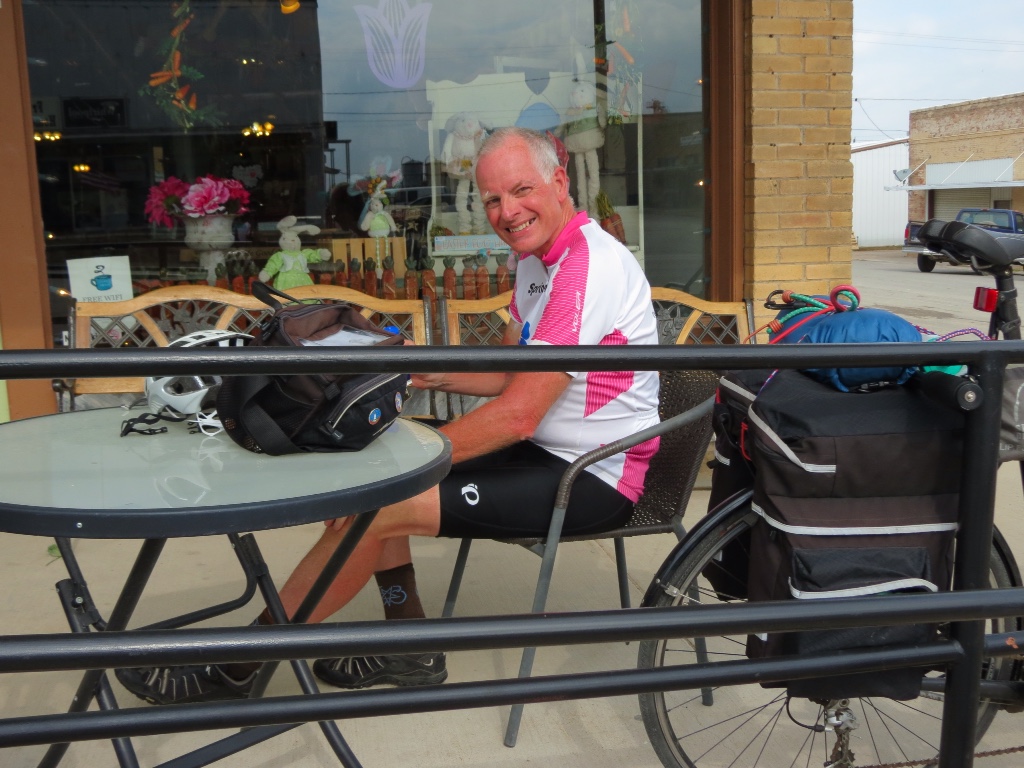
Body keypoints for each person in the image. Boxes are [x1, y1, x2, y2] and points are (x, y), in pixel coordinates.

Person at [115, 126, 661, 705]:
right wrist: (415, 371)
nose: (508, 212)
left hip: (592, 475)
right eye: (493, 199)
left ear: (559, 182)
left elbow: (517, 415)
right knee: (369, 468)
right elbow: (511, 375)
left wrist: (411, 469)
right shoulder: (535, 260)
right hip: (542, 452)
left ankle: (236, 670)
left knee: (374, 506)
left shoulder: (587, 266)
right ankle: (408, 645)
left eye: (521, 190)